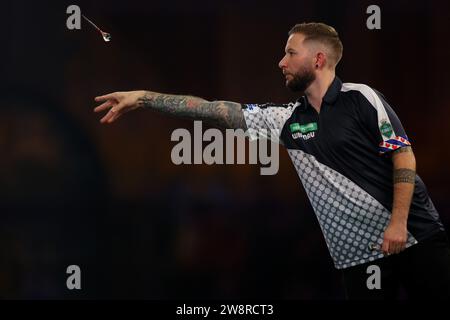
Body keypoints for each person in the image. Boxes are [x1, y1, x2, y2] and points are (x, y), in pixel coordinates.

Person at [94, 22, 450, 300]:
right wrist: (143, 98)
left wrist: (398, 223)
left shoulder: (361, 98)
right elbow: (214, 110)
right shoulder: (286, 120)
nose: (281, 62)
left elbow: (403, 155)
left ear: (318, 60)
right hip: (358, 257)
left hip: (415, 236)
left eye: (290, 53)